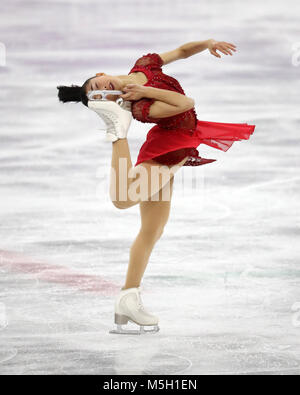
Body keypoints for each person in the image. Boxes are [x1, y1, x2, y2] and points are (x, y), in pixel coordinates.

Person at [57, 39, 255, 334]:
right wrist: (143, 92)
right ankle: (116, 132)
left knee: (152, 230)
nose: (105, 88)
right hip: (166, 151)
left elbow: (180, 52)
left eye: (97, 84)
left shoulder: (144, 64)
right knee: (123, 199)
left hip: (175, 146)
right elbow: (187, 103)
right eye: (101, 95)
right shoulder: (142, 107)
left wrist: (208, 44)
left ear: (100, 72)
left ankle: (128, 298)